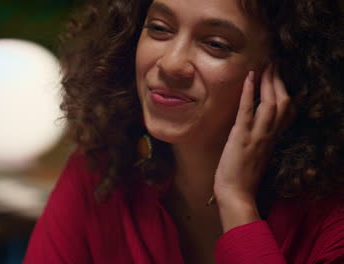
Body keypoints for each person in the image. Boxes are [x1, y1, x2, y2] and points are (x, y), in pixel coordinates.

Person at [24, 0, 343, 263]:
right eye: (159, 29)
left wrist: (236, 204)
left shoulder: (332, 220)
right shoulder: (101, 172)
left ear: (286, 71)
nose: (172, 64)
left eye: (216, 45)